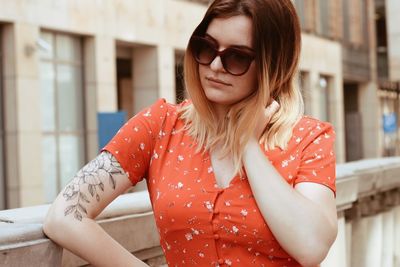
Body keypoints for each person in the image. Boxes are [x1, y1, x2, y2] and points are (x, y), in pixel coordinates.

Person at [43, 0, 338, 266]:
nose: (215, 65)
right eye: (206, 48)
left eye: (237, 57)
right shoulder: (159, 126)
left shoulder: (309, 138)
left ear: (274, 65)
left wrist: (247, 144)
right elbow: (64, 215)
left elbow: (311, 247)